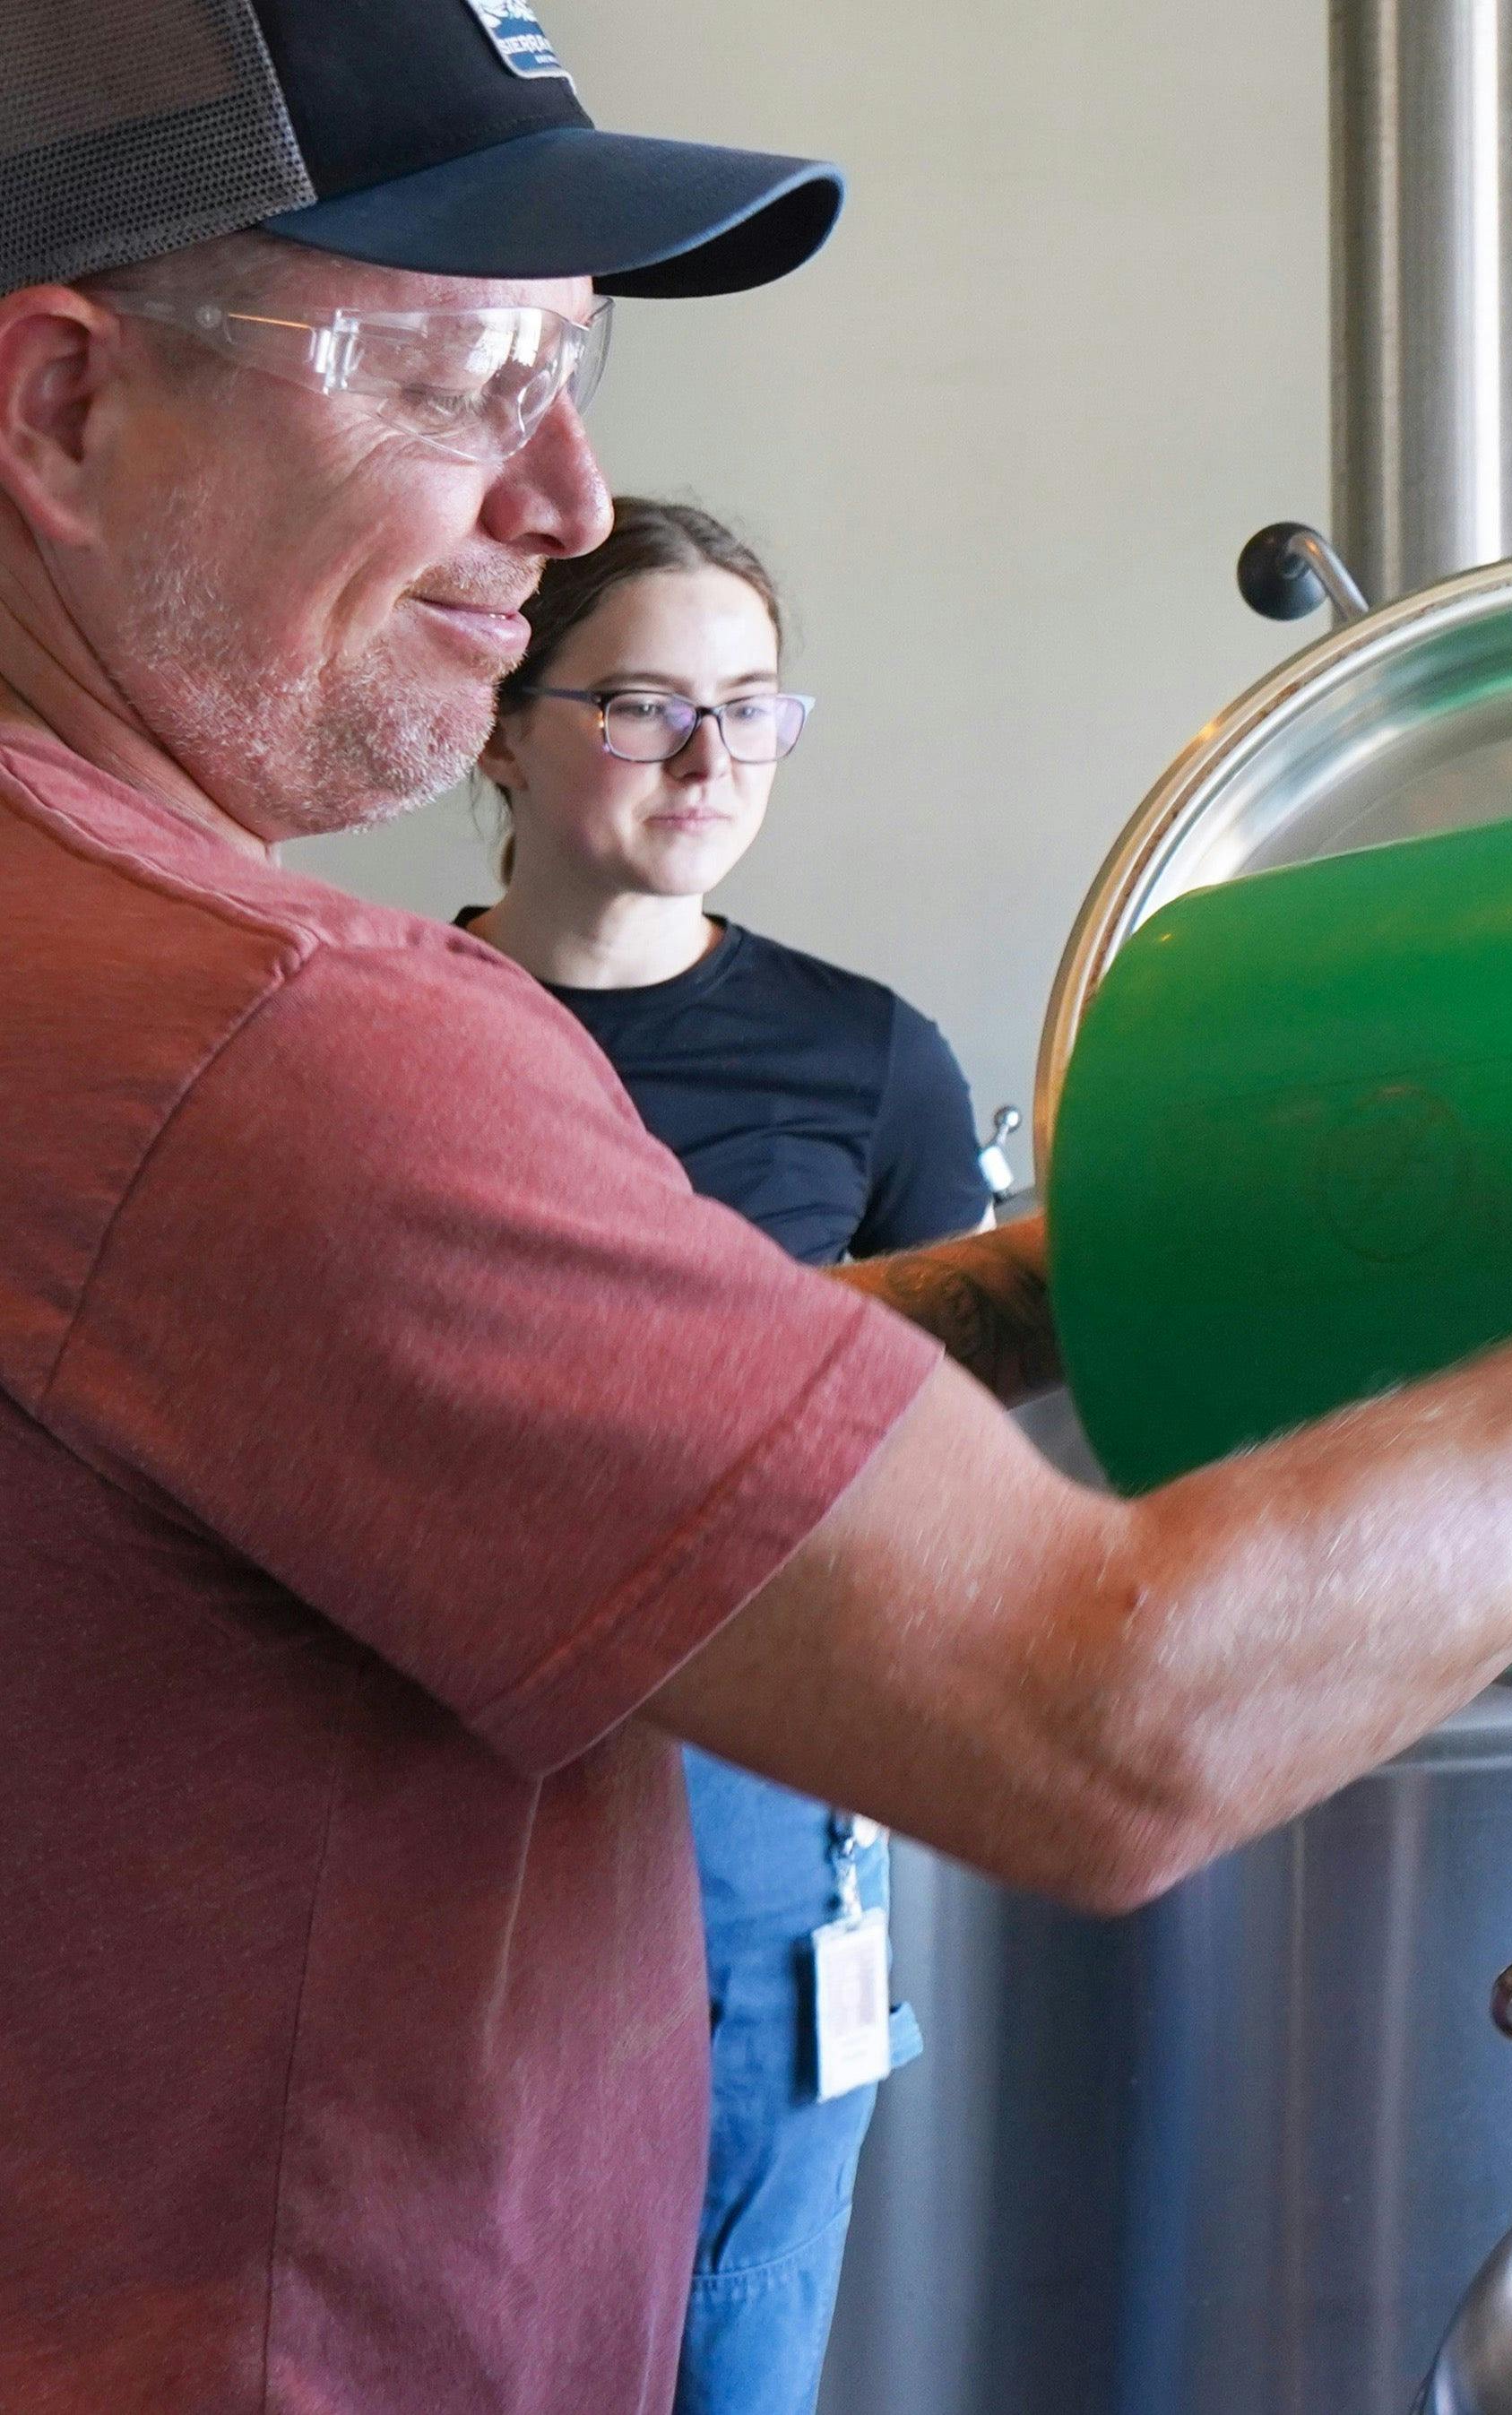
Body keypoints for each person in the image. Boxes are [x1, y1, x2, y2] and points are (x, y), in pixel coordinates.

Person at [0, 3, 1512, 2408]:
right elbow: (1109, 1721)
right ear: (60, 403)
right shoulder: (277, 1042)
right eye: (461, 379)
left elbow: (478, 1438)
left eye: (575, 374)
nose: (566, 499)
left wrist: (1049, 1281)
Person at [462, 497, 992, 2413]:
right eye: (642, 704)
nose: (710, 758)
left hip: (753, 1828)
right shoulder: (370, 1040)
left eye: (755, 708)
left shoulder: (867, 1062)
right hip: (436, 1800)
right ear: (500, 726)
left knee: (730, 2338)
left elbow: (961, 1468)